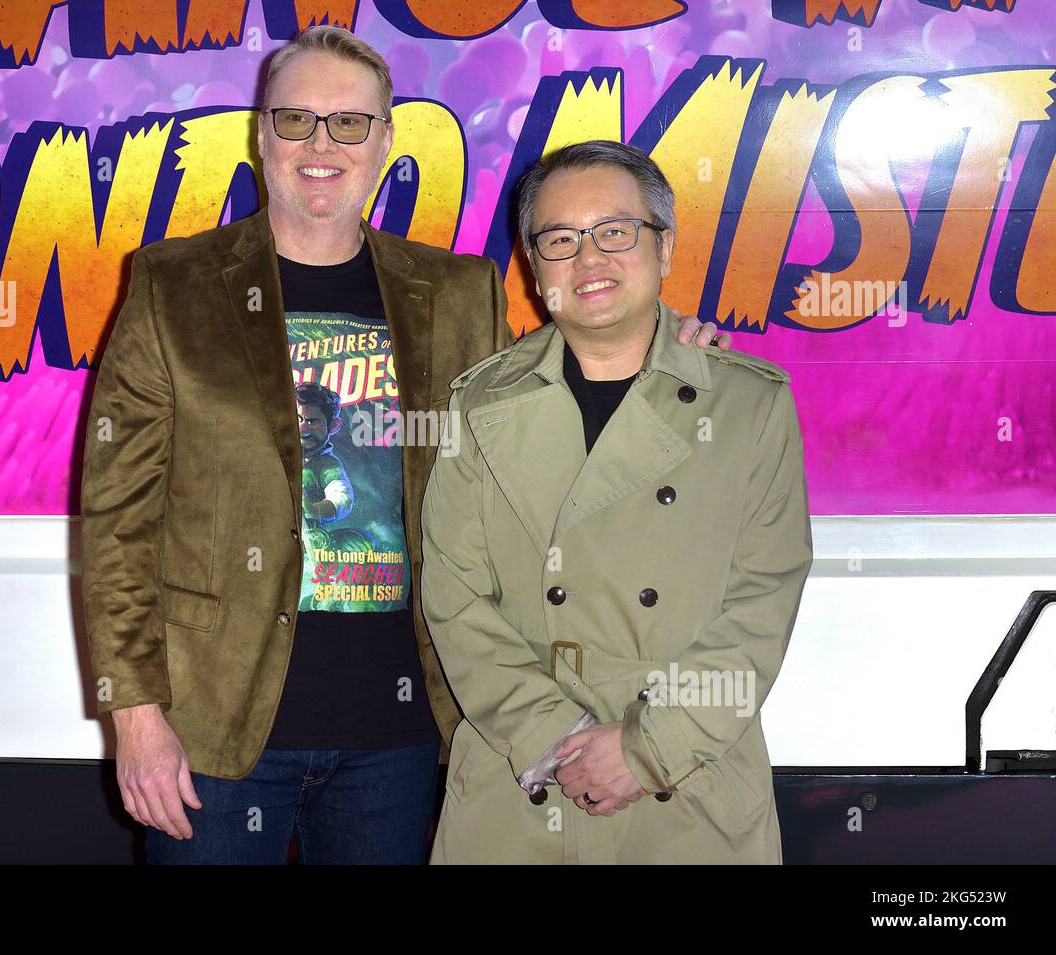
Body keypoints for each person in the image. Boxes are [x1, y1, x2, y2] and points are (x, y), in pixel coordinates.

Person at [80, 27, 728, 865]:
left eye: (349, 123)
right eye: (297, 119)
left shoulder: (457, 293)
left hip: (403, 731)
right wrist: (135, 718)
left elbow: (549, 408)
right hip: (212, 731)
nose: (322, 145)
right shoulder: (172, 284)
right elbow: (115, 524)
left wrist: (661, 355)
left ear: (385, 141)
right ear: (260, 133)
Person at [421, 140, 813, 864]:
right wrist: (552, 736)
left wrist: (648, 748)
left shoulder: (748, 404)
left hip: (686, 782)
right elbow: (454, 596)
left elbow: (762, 604)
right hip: (525, 781)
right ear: (535, 270)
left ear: (663, 249)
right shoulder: (478, 403)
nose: (589, 258)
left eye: (616, 232)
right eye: (561, 240)